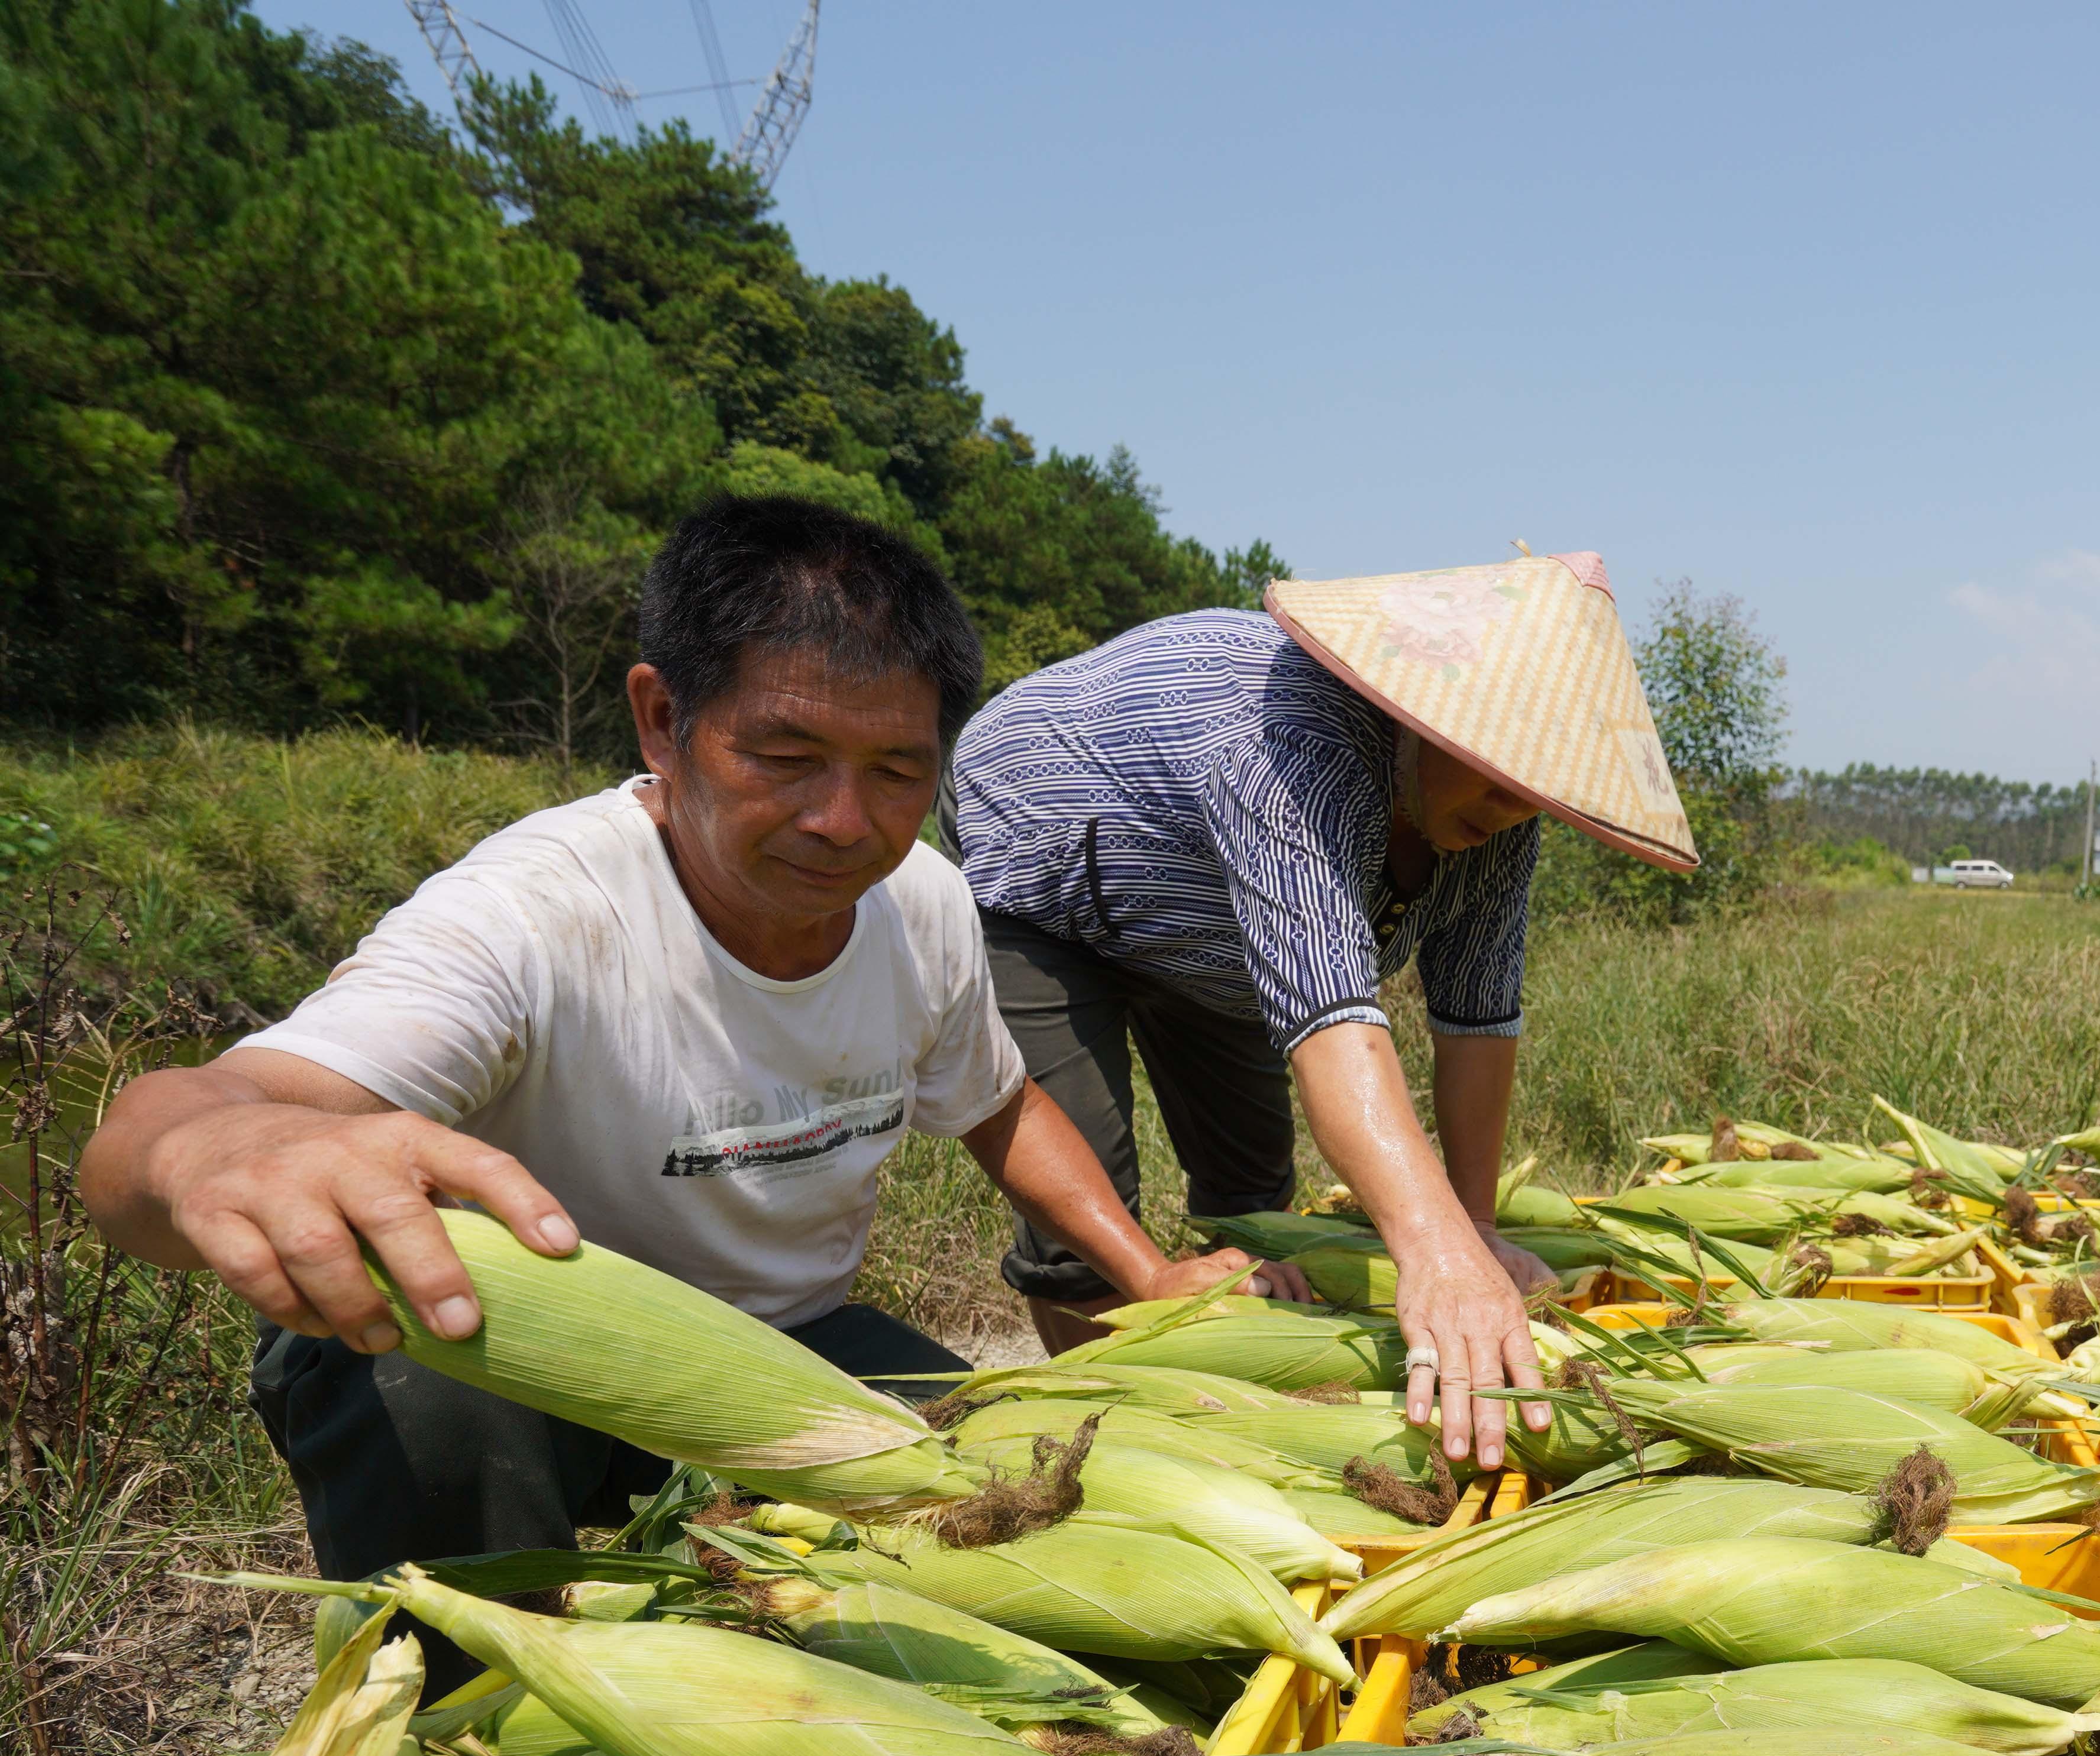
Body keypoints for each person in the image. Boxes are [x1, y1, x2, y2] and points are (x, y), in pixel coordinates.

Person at [85, 496, 1236, 1654]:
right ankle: (463, 1707)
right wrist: (221, 1147)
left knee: (1036, 1504)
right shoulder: (534, 914)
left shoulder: (921, 900)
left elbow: (1004, 1106)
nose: (845, 819)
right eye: (785, 757)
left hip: (792, 1346)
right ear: (661, 718)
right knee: (385, 1344)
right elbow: (176, 1122)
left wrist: (1148, 1273)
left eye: (897, 770)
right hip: (534, 1386)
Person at [941, 548, 1697, 1469]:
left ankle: (1232, 1413)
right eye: (1492, 775)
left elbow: (1477, 1024)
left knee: (1259, 1201)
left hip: (1209, 934)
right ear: (1423, 720)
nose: (1507, 808)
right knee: (1091, 1215)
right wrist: (1433, 1255)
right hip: (1043, 872)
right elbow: (1335, 1024)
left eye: (1530, 791)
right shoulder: (1293, 744)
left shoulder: (1502, 824)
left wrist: (1475, 1230)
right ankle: (1103, 1450)